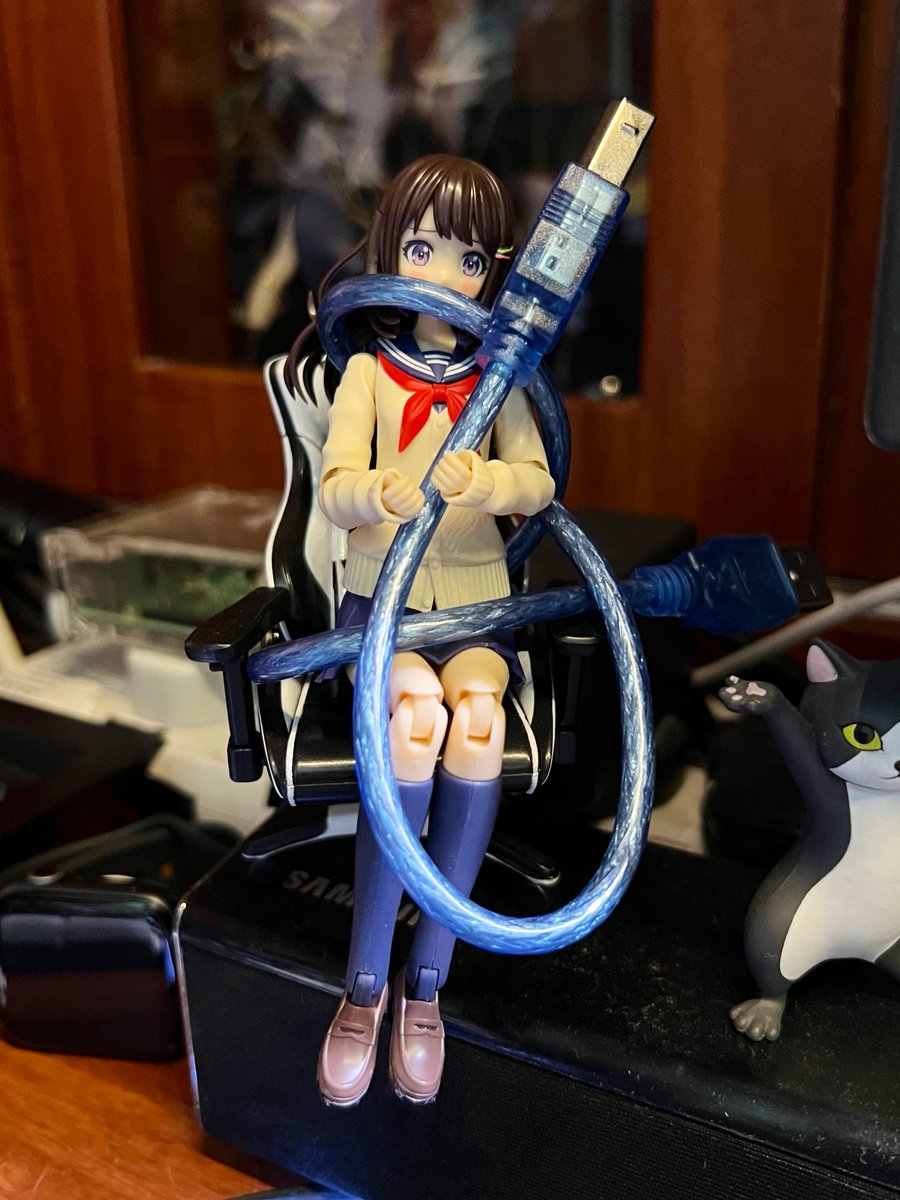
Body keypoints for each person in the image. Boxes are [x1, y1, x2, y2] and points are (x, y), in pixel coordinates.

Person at [288, 154, 554, 1106]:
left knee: (475, 721)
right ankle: (365, 984)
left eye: (469, 259)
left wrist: (489, 482)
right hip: (386, 607)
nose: (443, 274)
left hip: (478, 603)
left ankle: (427, 984)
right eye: (422, 249)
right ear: (390, 250)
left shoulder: (502, 378)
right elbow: (332, 488)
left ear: (494, 271)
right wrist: (374, 492)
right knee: (413, 722)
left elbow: (539, 482)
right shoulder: (367, 373)